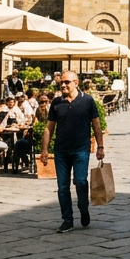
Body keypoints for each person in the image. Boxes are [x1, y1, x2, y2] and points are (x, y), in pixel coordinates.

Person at [40, 70, 104, 233]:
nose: (63, 85)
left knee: (80, 181)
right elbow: (49, 128)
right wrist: (45, 150)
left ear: (76, 83)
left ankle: (83, 208)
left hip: (81, 148)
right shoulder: (56, 103)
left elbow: (96, 125)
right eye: (61, 82)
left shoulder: (87, 101)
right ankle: (67, 220)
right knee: (62, 187)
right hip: (61, 150)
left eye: (67, 82)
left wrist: (100, 147)